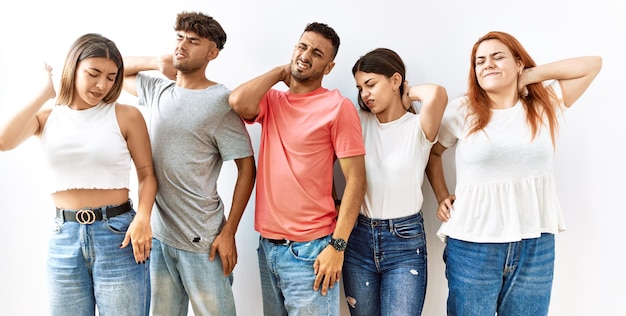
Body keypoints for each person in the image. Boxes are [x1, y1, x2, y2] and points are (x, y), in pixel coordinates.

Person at [425, 31, 602, 315]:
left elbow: (593, 64)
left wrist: (531, 76)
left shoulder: (544, 105)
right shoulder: (462, 110)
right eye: (479, 61)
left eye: (497, 57)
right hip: (473, 245)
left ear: (519, 62)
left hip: (535, 243)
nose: (487, 65)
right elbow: (433, 154)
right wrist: (442, 194)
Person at [0, 33, 156, 316]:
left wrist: (144, 217)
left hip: (118, 235)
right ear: (72, 67)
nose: (102, 85)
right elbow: (3, 141)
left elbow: (147, 174)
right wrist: (43, 94)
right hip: (64, 237)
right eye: (94, 73)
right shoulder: (46, 119)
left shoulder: (125, 115)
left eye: (111, 77)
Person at [122, 11, 256, 316]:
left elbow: (247, 168)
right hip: (160, 237)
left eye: (193, 41)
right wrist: (157, 61)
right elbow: (114, 69)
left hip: (203, 242)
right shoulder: (159, 89)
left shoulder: (220, 102)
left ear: (212, 53)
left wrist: (229, 232)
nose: (182, 45)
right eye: (179, 38)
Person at [229, 22, 366, 315]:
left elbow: (356, 181)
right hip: (267, 246)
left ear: (328, 67)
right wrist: (282, 73)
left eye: (317, 53)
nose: (306, 55)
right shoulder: (272, 101)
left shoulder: (337, 107)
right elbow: (237, 101)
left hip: (311, 251)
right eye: (302, 47)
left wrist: (338, 247)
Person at [342, 48, 448, 316]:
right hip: (358, 239)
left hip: (404, 241)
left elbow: (437, 93)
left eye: (371, 84)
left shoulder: (418, 126)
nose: (365, 93)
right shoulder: (358, 120)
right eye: (360, 87)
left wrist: (406, 94)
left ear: (395, 80)